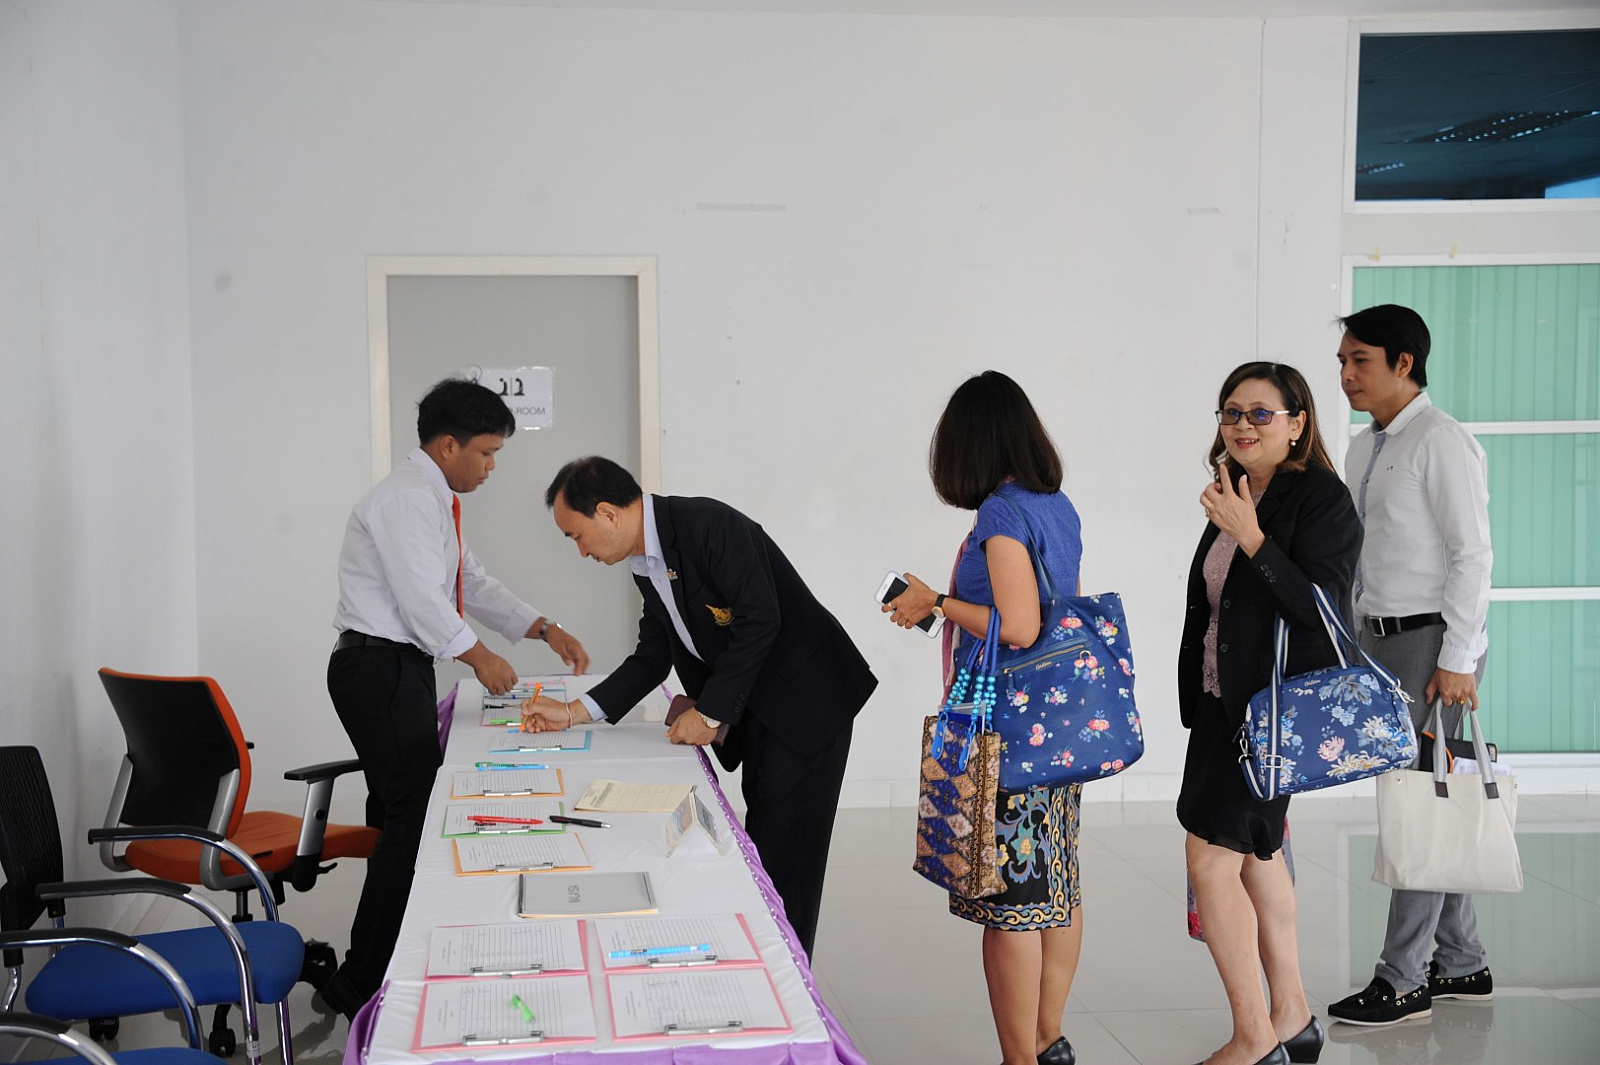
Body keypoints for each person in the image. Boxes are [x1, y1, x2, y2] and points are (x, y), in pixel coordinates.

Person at [521, 456, 877, 959]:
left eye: (576, 536)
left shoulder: (707, 526)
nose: (581, 551)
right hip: (762, 703)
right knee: (766, 846)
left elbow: (760, 619)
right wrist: (576, 711)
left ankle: (789, 978)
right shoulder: (647, 561)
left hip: (806, 701)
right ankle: (771, 961)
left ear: (608, 513)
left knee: (787, 858)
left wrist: (709, 713)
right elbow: (653, 655)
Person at [321, 378, 590, 1018]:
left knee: (399, 811)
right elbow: (421, 599)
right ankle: (361, 981)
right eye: (487, 453)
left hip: (397, 667)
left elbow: (470, 581)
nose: (492, 467)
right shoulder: (406, 501)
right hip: (378, 668)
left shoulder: (432, 500)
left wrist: (543, 627)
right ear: (449, 446)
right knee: (411, 817)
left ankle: (380, 959)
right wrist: (480, 656)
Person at [883, 370, 1085, 1065]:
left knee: (1010, 907)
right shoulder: (1056, 504)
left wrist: (936, 602)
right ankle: (1047, 1037)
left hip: (1007, 734)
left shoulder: (1001, 514)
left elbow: (1020, 626)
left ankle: (1019, 1058)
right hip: (1056, 724)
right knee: (1057, 889)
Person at [1178, 362, 1360, 1065]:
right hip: (1221, 703)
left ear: (1297, 423)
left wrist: (1252, 537)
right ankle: (1292, 1016)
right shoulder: (1236, 489)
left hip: (1269, 710)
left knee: (1210, 859)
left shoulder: (1320, 499)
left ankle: (1255, 1038)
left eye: (1260, 413)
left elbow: (1321, 612)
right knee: (1258, 854)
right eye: (1231, 412)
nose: (1243, 425)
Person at [1328, 304, 1494, 1026]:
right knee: (1427, 796)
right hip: (1380, 641)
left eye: (1359, 360)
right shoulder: (1364, 447)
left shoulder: (1441, 440)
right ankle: (1462, 961)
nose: (1345, 374)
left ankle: (1402, 979)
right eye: (1342, 361)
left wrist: (1459, 658)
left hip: (1432, 643)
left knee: (1419, 805)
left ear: (1404, 362)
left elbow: (1472, 554)